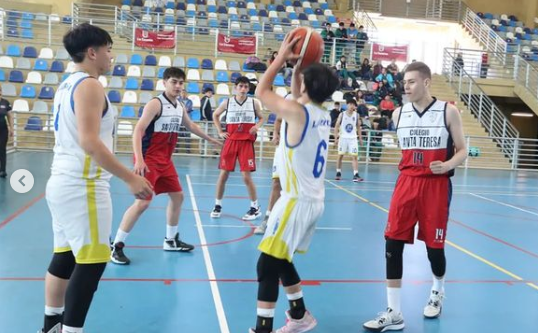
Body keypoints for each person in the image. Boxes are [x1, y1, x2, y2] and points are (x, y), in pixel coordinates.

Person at [40, 23, 153, 333]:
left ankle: (51, 325)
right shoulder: (90, 85)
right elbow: (90, 141)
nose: (111, 55)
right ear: (92, 52)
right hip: (83, 186)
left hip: (61, 181)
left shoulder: (67, 84)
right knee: (91, 263)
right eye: (107, 49)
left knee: (63, 257)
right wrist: (130, 178)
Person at [363, 61, 467, 332]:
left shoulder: (448, 111)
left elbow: (463, 150)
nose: (405, 87)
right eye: (404, 82)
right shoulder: (399, 114)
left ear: (426, 82)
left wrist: (446, 165)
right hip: (406, 183)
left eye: (411, 82)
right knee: (392, 244)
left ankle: (437, 289)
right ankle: (394, 312)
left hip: (436, 186)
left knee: (435, 250)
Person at [249, 34, 339, 333]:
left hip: (296, 201)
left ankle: (263, 328)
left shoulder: (298, 112)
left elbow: (262, 90)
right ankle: (300, 315)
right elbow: (297, 89)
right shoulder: (320, 112)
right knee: (281, 257)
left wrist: (281, 57)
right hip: (311, 200)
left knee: (266, 265)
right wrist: (299, 65)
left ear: (305, 87)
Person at [110, 67, 221, 265]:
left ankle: (170, 240)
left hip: (165, 160)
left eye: (181, 83)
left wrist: (210, 139)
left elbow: (191, 126)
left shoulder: (179, 106)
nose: (178, 86)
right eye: (174, 82)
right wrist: (140, 159)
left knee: (178, 196)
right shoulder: (155, 104)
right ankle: (117, 245)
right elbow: (138, 131)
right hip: (149, 159)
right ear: (165, 83)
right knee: (143, 202)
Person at [210, 76, 265, 220]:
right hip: (231, 141)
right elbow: (215, 115)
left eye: (246, 87)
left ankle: (255, 207)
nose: (243, 89)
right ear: (235, 87)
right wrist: (220, 131)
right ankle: (217, 205)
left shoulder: (254, 103)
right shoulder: (227, 102)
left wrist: (256, 126)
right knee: (223, 175)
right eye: (240, 86)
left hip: (246, 142)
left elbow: (261, 118)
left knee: (246, 177)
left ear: (248, 88)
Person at [334, 99, 363, 182]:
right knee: (340, 156)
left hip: (353, 138)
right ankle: (338, 172)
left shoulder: (357, 115)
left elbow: (358, 128)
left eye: (353, 104)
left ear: (355, 106)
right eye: (350, 104)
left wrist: (360, 138)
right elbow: (336, 126)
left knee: (354, 156)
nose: (351, 106)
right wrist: (336, 138)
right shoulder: (342, 114)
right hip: (343, 138)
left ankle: (356, 174)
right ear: (347, 105)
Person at [0, 87, 13, 178]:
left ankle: (3, 170)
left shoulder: (5, 102)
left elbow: (10, 116)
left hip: (3, 129)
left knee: (2, 149)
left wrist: (11, 128)